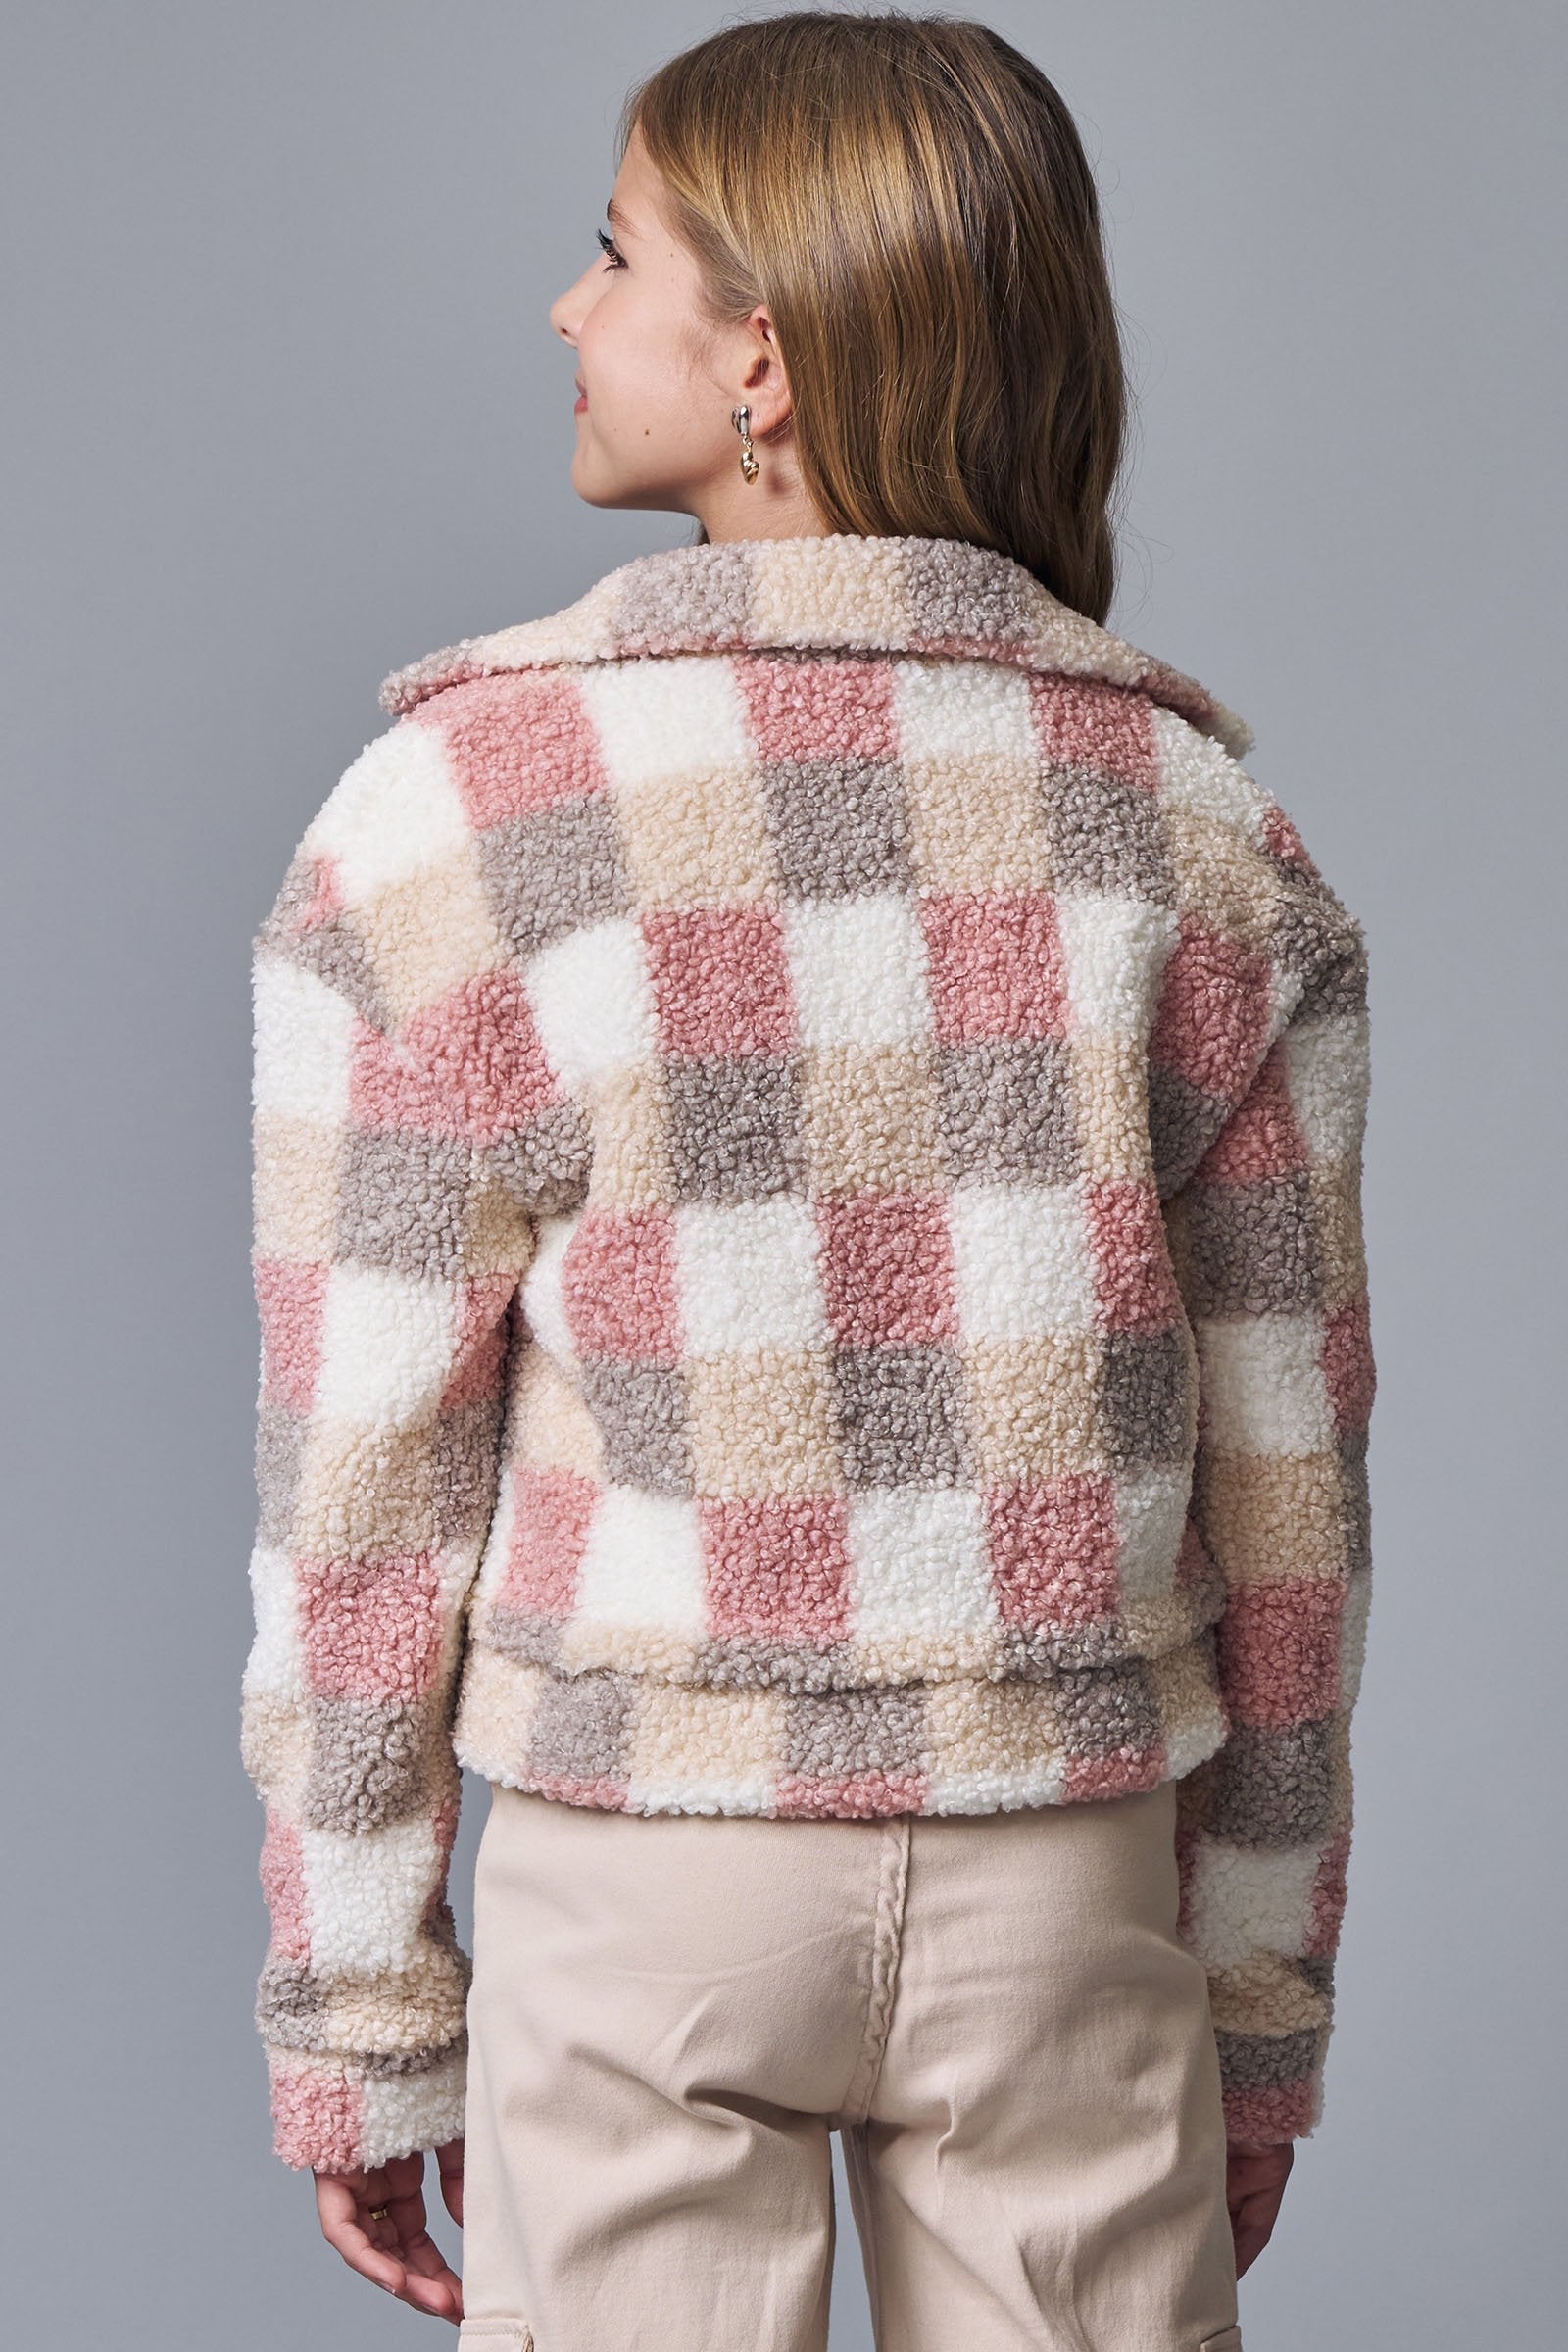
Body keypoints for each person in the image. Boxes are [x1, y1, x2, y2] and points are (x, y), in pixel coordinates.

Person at [239, 13, 1376, 2347]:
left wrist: (359, 2004)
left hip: (640, 1873)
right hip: (1062, 1865)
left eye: (610, 253)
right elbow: (1292, 1494)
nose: (564, 307)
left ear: (756, 356)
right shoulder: (1198, 842)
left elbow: (361, 1489)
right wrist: (1254, 1995)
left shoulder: (448, 822)